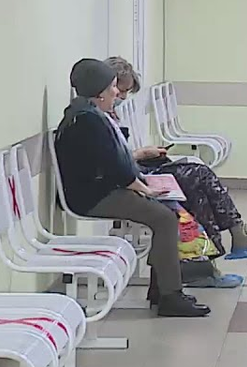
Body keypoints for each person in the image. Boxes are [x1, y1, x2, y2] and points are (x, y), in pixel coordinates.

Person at [54, 58, 210, 318]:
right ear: (99, 92)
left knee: (166, 210)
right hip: (91, 197)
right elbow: (117, 167)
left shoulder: (85, 114)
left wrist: (144, 187)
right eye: (113, 87)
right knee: (165, 217)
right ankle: (170, 295)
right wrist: (145, 190)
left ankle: (162, 289)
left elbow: (116, 161)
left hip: (95, 190)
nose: (117, 93)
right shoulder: (89, 121)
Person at [104, 57, 247, 273]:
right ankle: (227, 245)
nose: (122, 97)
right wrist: (141, 154)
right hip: (130, 179)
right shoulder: (95, 119)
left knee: (198, 186)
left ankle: (213, 258)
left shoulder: (108, 115)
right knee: (198, 177)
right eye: (120, 91)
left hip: (136, 171)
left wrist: (144, 154)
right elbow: (111, 162)